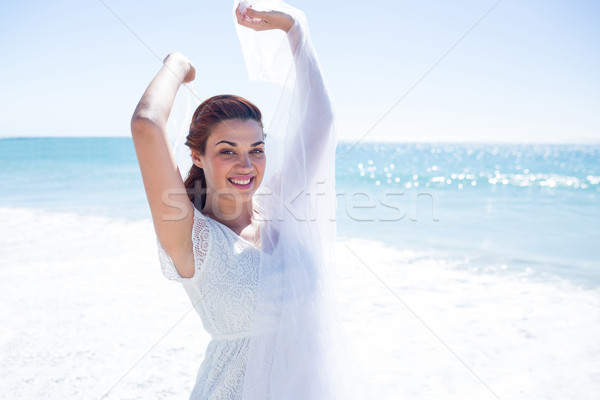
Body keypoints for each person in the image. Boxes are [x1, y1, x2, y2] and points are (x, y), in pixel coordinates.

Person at [131, 1, 352, 398]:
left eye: (257, 149)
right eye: (228, 150)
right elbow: (146, 124)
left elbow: (322, 122)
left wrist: (295, 29)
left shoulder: (278, 208)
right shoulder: (189, 235)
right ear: (197, 156)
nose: (246, 164)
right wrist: (177, 66)